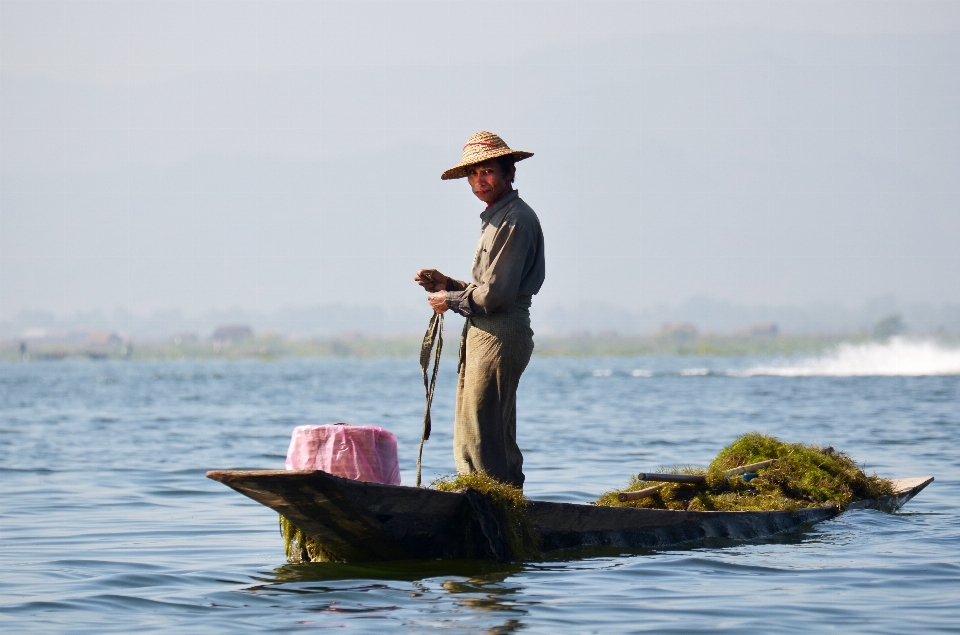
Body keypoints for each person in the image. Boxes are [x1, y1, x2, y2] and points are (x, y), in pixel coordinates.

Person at [414, 131, 545, 488]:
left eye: (487, 171)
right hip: (487, 332)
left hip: (501, 332)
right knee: (482, 428)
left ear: (509, 172)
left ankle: (496, 507)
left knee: (483, 433)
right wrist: (449, 284)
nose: (478, 181)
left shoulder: (514, 220)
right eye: (473, 174)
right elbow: (489, 289)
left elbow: (498, 297)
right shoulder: (496, 218)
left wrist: (449, 300)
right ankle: (495, 502)